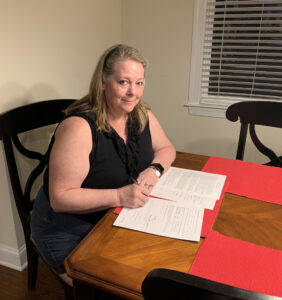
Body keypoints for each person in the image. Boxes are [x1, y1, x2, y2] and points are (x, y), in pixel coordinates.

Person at [30, 44, 176, 286]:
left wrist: (155, 169)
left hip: (111, 216)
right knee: (113, 287)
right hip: (66, 227)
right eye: (123, 82)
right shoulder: (78, 128)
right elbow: (60, 198)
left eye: (139, 83)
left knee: (154, 268)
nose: (133, 92)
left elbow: (167, 149)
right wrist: (120, 195)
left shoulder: (141, 113)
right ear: (103, 82)